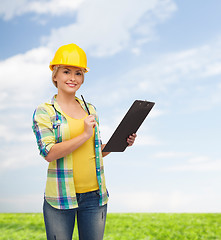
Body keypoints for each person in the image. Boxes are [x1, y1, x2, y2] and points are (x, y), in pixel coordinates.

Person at [32, 43, 137, 240]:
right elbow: (48, 153)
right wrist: (83, 135)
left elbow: (95, 151)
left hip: (95, 196)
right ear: (55, 75)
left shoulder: (91, 110)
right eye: (66, 71)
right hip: (61, 198)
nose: (73, 78)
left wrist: (121, 143)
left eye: (78, 73)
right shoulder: (45, 111)